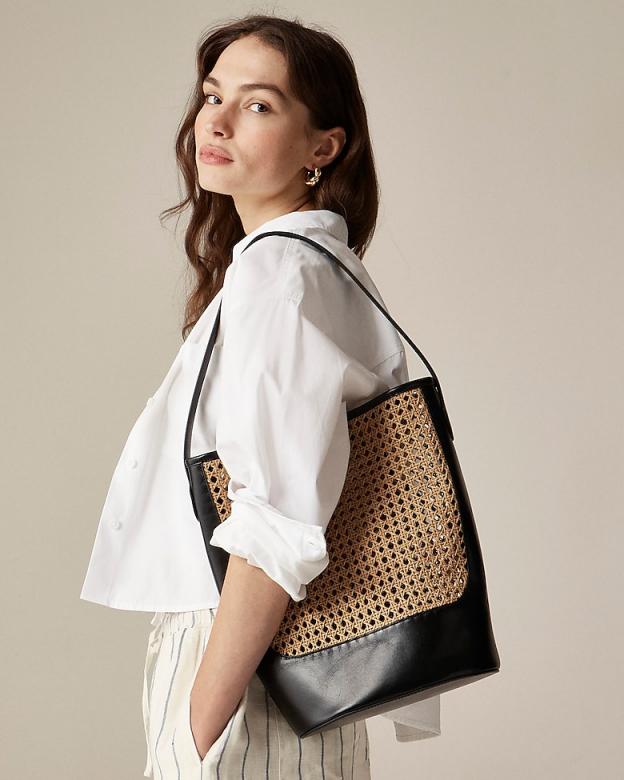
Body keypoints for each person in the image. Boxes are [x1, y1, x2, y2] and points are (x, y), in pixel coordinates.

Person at [80, 13, 441, 779]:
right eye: (214, 96)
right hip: (278, 670)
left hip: (246, 666)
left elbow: (278, 521)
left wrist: (196, 730)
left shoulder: (283, 275)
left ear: (323, 148)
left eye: (258, 105)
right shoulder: (299, 267)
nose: (216, 121)